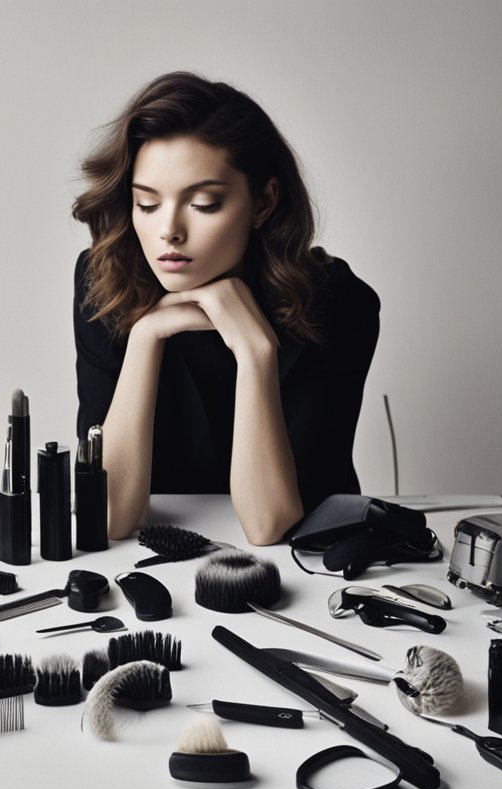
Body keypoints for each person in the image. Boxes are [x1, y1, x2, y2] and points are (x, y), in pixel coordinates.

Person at [72, 72, 379, 545]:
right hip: (154, 558)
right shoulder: (106, 281)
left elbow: (271, 524)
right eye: (147, 205)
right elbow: (110, 517)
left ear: (264, 203)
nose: (168, 231)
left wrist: (256, 353)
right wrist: (145, 337)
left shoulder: (337, 303)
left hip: (309, 570)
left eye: (204, 203)